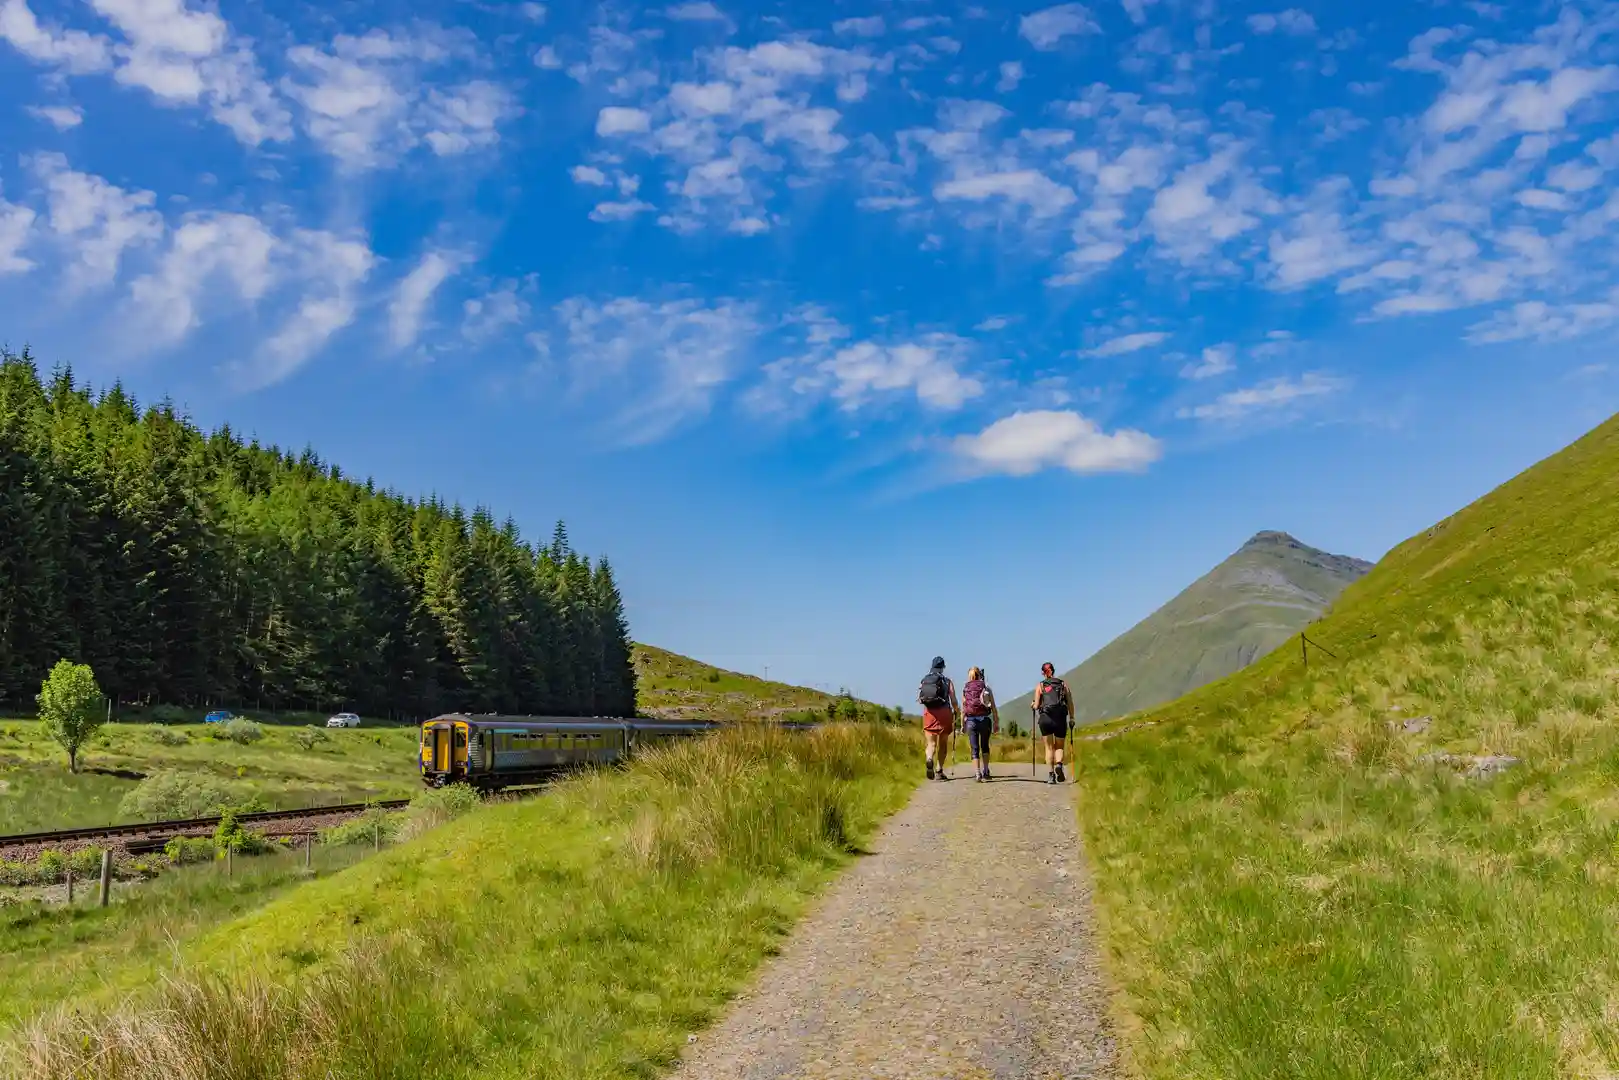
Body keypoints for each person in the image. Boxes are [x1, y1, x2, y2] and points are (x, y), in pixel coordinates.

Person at [916, 655, 960, 780]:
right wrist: (957, 711)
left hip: (930, 713)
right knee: (943, 743)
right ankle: (939, 770)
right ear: (943, 667)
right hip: (945, 713)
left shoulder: (924, 680)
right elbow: (953, 700)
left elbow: (920, 699)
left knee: (931, 743)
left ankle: (929, 758)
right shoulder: (947, 681)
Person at [1030, 661, 1074, 784]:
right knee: (1059, 746)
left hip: (1045, 718)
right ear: (1053, 671)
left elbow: (1037, 705)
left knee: (1049, 748)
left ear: (1043, 673)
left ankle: (1051, 776)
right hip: (1060, 718)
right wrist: (1072, 718)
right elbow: (1070, 702)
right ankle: (1059, 765)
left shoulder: (1040, 686)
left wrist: (1033, 705)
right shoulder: (1063, 684)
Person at [960, 666, 999, 782]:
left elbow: (963, 709)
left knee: (974, 748)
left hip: (971, 721)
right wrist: (996, 722)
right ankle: (986, 771)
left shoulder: (966, 689)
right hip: (985, 720)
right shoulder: (986, 688)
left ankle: (977, 773)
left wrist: (962, 725)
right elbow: (993, 706)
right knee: (985, 746)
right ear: (980, 675)